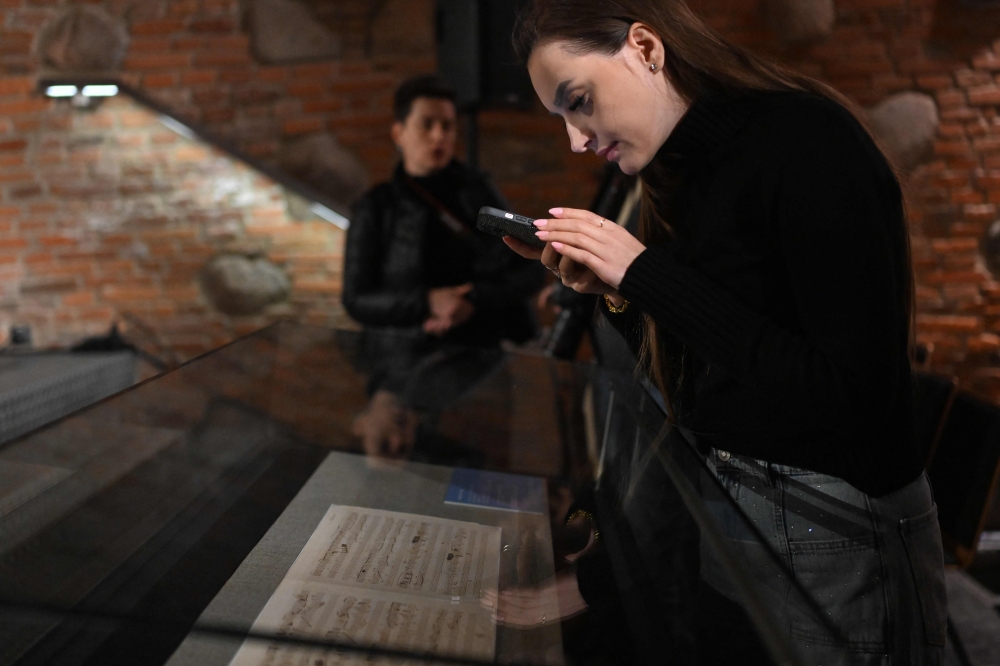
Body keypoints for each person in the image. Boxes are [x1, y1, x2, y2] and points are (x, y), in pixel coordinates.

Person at [494, 1, 946, 664]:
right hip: (737, 511)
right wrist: (617, 294)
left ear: (645, 47)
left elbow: (854, 396)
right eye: (562, 117)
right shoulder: (677, 170)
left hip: (839, 525)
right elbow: (709, 376)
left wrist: (644, 275)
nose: (576, 139)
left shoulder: (807, 139)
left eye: (579, 101)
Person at [342, 74, 544, 462]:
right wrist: (428, 302)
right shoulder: (376, 207)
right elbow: (356, 299)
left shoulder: (478, 195)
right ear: (399, 133)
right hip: (402, 368)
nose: (439, 136)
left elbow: (532, 265)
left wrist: (472, 299)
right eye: (427, 124)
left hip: (480, 371)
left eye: (447, 126)